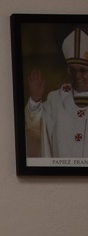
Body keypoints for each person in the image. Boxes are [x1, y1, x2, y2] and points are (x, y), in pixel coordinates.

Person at [25, 27, 88, 158]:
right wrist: (35, 100)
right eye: (72, 70)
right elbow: (36, 132)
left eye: (83, 70)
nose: (77, 75)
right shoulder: (56, 100)